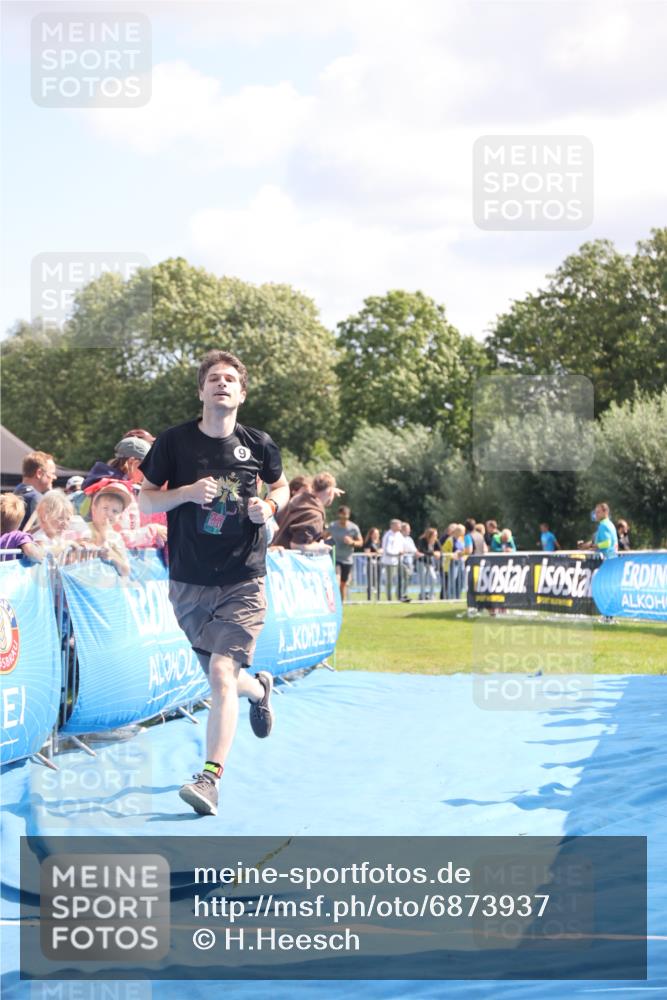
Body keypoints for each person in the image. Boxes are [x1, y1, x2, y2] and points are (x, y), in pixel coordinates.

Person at [138, 349, 289, 817]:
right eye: (213, 379)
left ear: (241, 393)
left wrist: (271, 507)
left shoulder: (258, 445)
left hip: (244, 578)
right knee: (224, 677)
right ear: (201, 391)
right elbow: (145, 503)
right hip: (188, 582)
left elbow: (280, 486)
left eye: (230, 380)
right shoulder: (174, 443)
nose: (221, 384)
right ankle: (261, 690)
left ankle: (209, 779)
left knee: (221, 674)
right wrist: (184, 493)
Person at [272, 472, 337, 551]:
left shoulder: (298, 502)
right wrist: (320, 548)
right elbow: (296, 545)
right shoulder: (314, 515)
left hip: (276, 556)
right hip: (288, 561)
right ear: (330, 492)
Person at [13, 451, 58, 529]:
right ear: (39, 473)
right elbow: (40, 536)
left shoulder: (15, 493)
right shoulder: (36, 499)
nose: (54, 477)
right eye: (51, 473)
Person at [327, 505, 362, 602]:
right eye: (342, 516)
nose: (344, 519)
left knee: (343, 585)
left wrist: (352, 542)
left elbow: (361, 542)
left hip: (347, 559)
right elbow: (324, 535)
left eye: (346, 517)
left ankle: (340, 606)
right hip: (335, 557)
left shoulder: (353, 528)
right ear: (339, 515)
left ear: (349, 516)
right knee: (337, 580)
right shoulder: (333, 526)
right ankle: (333, 602)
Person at [0, 494, 43, 562]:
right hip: (12, 572)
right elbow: (32, 554)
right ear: (19, 523)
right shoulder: (20, 537)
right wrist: (41, 554)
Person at [381, 519, 404, 600]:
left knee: (402, 577)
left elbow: (402, 546)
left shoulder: (399, 535)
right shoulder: (388, 536)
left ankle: (399, 596)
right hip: (389, 562)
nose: (400, 526)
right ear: (393, 526)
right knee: (389, 581)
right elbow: (387, 551)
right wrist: (397, 553)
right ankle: (389, 598)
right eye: (399, 525)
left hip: (398, 561)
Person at [416, 527, 441, 599]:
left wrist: (438, 553)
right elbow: (423, 550)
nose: (436, 536)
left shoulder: (436, 541)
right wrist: (433, 553)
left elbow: (440, 550)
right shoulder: (422, 540)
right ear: (429, 535)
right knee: (423, 579)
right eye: (434, 535)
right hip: (421, 562)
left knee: (433, 578)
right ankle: (422, 596)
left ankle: (431, 595)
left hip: (430, 563)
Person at [399, 522, 417, 602]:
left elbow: (413, 549)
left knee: (407, 579)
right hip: (402, 561)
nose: (409, 531)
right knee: (404, 578)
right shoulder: (398, 538)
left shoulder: (410, 539)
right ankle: (401, 595)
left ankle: (404, 594)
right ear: (402, 530)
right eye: (407, 529)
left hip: (410, 561)